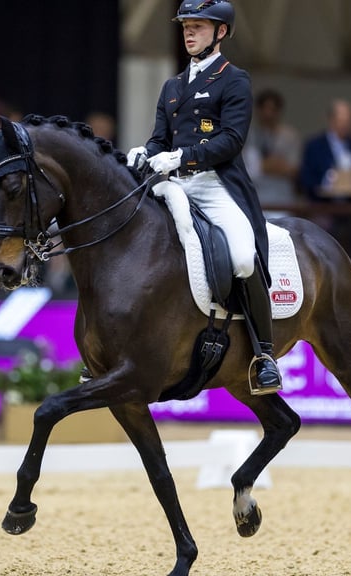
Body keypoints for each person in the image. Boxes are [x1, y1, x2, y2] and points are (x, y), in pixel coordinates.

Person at [125, 0, 280, 393]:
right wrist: (146, 150)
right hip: (175, 183)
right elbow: (160, 137)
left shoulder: (234, 79)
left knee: (243, 258)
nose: (189, 33)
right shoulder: (173, 86)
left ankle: (264, 356)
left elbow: (230, 140)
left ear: (220, 32)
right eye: (185, 27)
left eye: (198, 26)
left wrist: (183, 156)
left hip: (215, 184)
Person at [298, 99, 351, 197]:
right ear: (331, 120)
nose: (345, 125)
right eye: (341, 121)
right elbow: (306, 180)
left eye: (348, 121)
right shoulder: (314, 146)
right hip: (322, 206)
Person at [242, 89, 302, 208]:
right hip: (256, 197)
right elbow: (246, 170)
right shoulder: (248, 135)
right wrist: (274, 164)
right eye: (264, 109)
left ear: (279, 111)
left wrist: (261, 165)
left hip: (283, 198)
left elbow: (293, 170)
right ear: (258, 110)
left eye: (272, 110)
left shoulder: (290, 136)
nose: (268, 114)